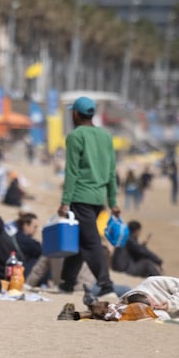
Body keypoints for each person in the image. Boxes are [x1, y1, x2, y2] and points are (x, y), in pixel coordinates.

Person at [57, 96, 119, 298]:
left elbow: (72, 172)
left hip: (81, 197)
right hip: (98, 199)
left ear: (75, 113)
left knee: (91, 242)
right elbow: (111, 171)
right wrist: (113, 201)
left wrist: (65, 202)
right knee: (80, 239)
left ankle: (106, 285)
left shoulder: (75, 136)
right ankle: (67, 282)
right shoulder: (105, 136)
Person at [13, 212, 44, 276]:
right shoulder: (28, 242)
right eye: (35, 227)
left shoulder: (14, 237)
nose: (36, 230)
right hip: (22, 274)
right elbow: (42, 251)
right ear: (26, 226)